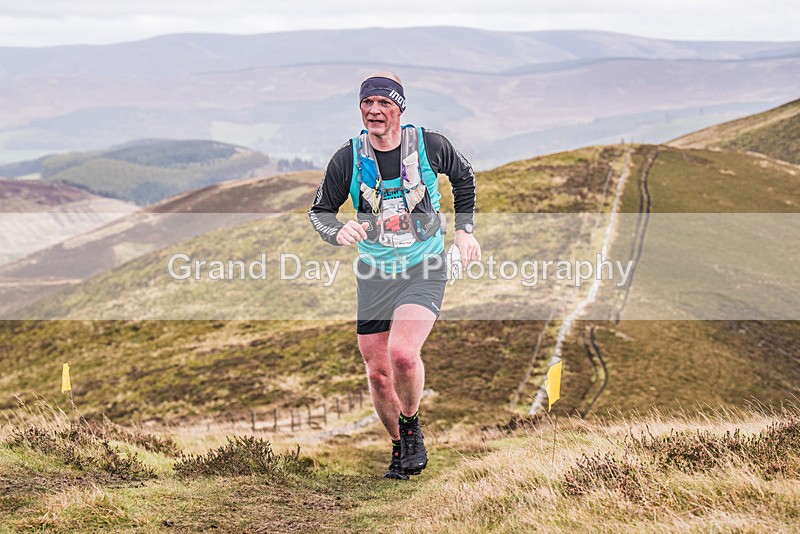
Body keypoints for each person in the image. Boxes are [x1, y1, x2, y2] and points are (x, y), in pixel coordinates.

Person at [308, 71, 480, 480]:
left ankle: (412, 426)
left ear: (400, 108)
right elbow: (320, 213)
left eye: (384, 103)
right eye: (367, 103)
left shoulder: (429, 145)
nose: (374, 110)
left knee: (402, 354)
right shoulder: (347, 158)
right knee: (377, 372)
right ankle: (399, 449)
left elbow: (464, 179)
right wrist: (338, 230)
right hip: (374, 272)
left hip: (425, 265)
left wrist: (463, 232)